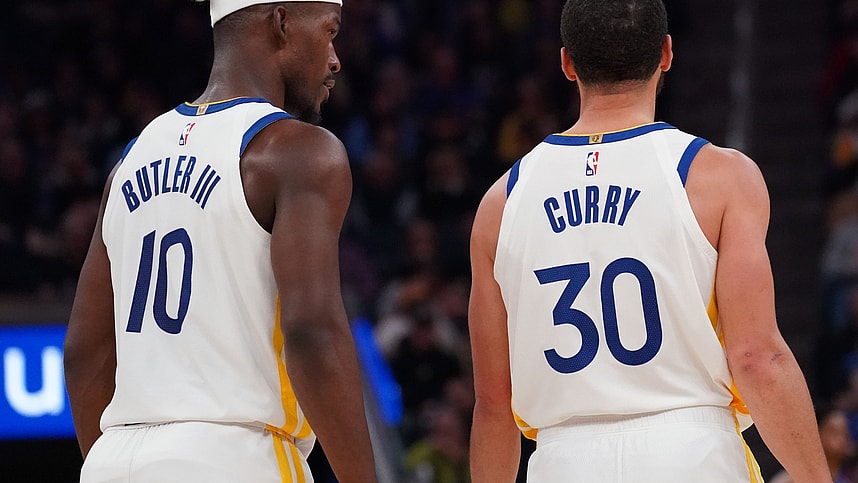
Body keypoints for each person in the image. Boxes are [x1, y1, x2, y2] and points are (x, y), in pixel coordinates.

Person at [467, 0, 831, 482]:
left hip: (561, 459)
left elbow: (494, 404)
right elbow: (756, 359)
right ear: (666, 53)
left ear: (567, 64)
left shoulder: (500, 204)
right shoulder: (719, 177)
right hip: (691, 451)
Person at [62, 1, 377, 482]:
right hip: (236, 456)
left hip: (114, 459)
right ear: (282, 22)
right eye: (329, 31)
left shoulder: (132, 158)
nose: (335, 59)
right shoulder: (299, 151)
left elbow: (85, 350)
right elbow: (312, 332)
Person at [769, 403, 856, 483]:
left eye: (845, 433)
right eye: (835, 432)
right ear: (817, 434)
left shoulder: (852, 476)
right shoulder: (790, 480)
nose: (843, 438)